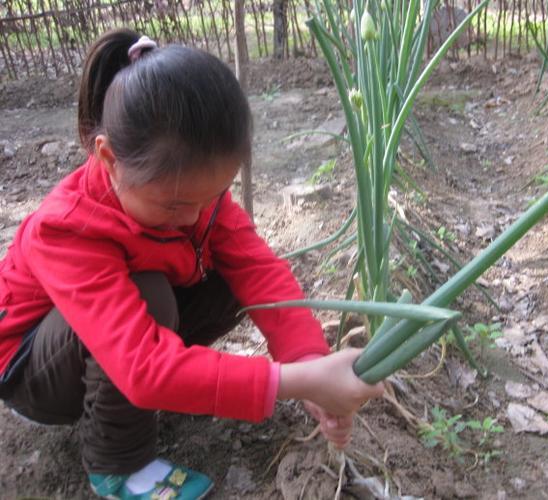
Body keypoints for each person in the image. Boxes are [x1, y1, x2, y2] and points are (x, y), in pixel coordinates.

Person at [0, 29, 383, 500]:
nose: (195, 216)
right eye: (175, 205)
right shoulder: (66, 229)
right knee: (148, 296)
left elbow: (261, 272)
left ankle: (173, 386)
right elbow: (140, 366)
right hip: (33, 373)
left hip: (111, 340)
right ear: (109, 158)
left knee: (233, 279)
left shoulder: (196, 198)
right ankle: (118, 465)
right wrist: (293, 382)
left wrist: (306, 362)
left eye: (213, 195)